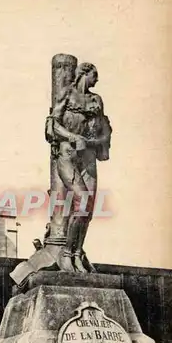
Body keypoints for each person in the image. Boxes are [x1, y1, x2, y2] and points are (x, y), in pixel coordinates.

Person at [45, 62, 112, 272]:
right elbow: (52, 124)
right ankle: (66, 254)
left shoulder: (96, 100)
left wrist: (93, 141)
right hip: (68, 155)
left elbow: (105, 131)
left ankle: (76, 254)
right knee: (81, 202)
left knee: (88, 209)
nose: (97, 80)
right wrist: (73, 137)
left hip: (89, 158)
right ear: (84, 74)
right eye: (95, 75)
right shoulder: (67, 94)